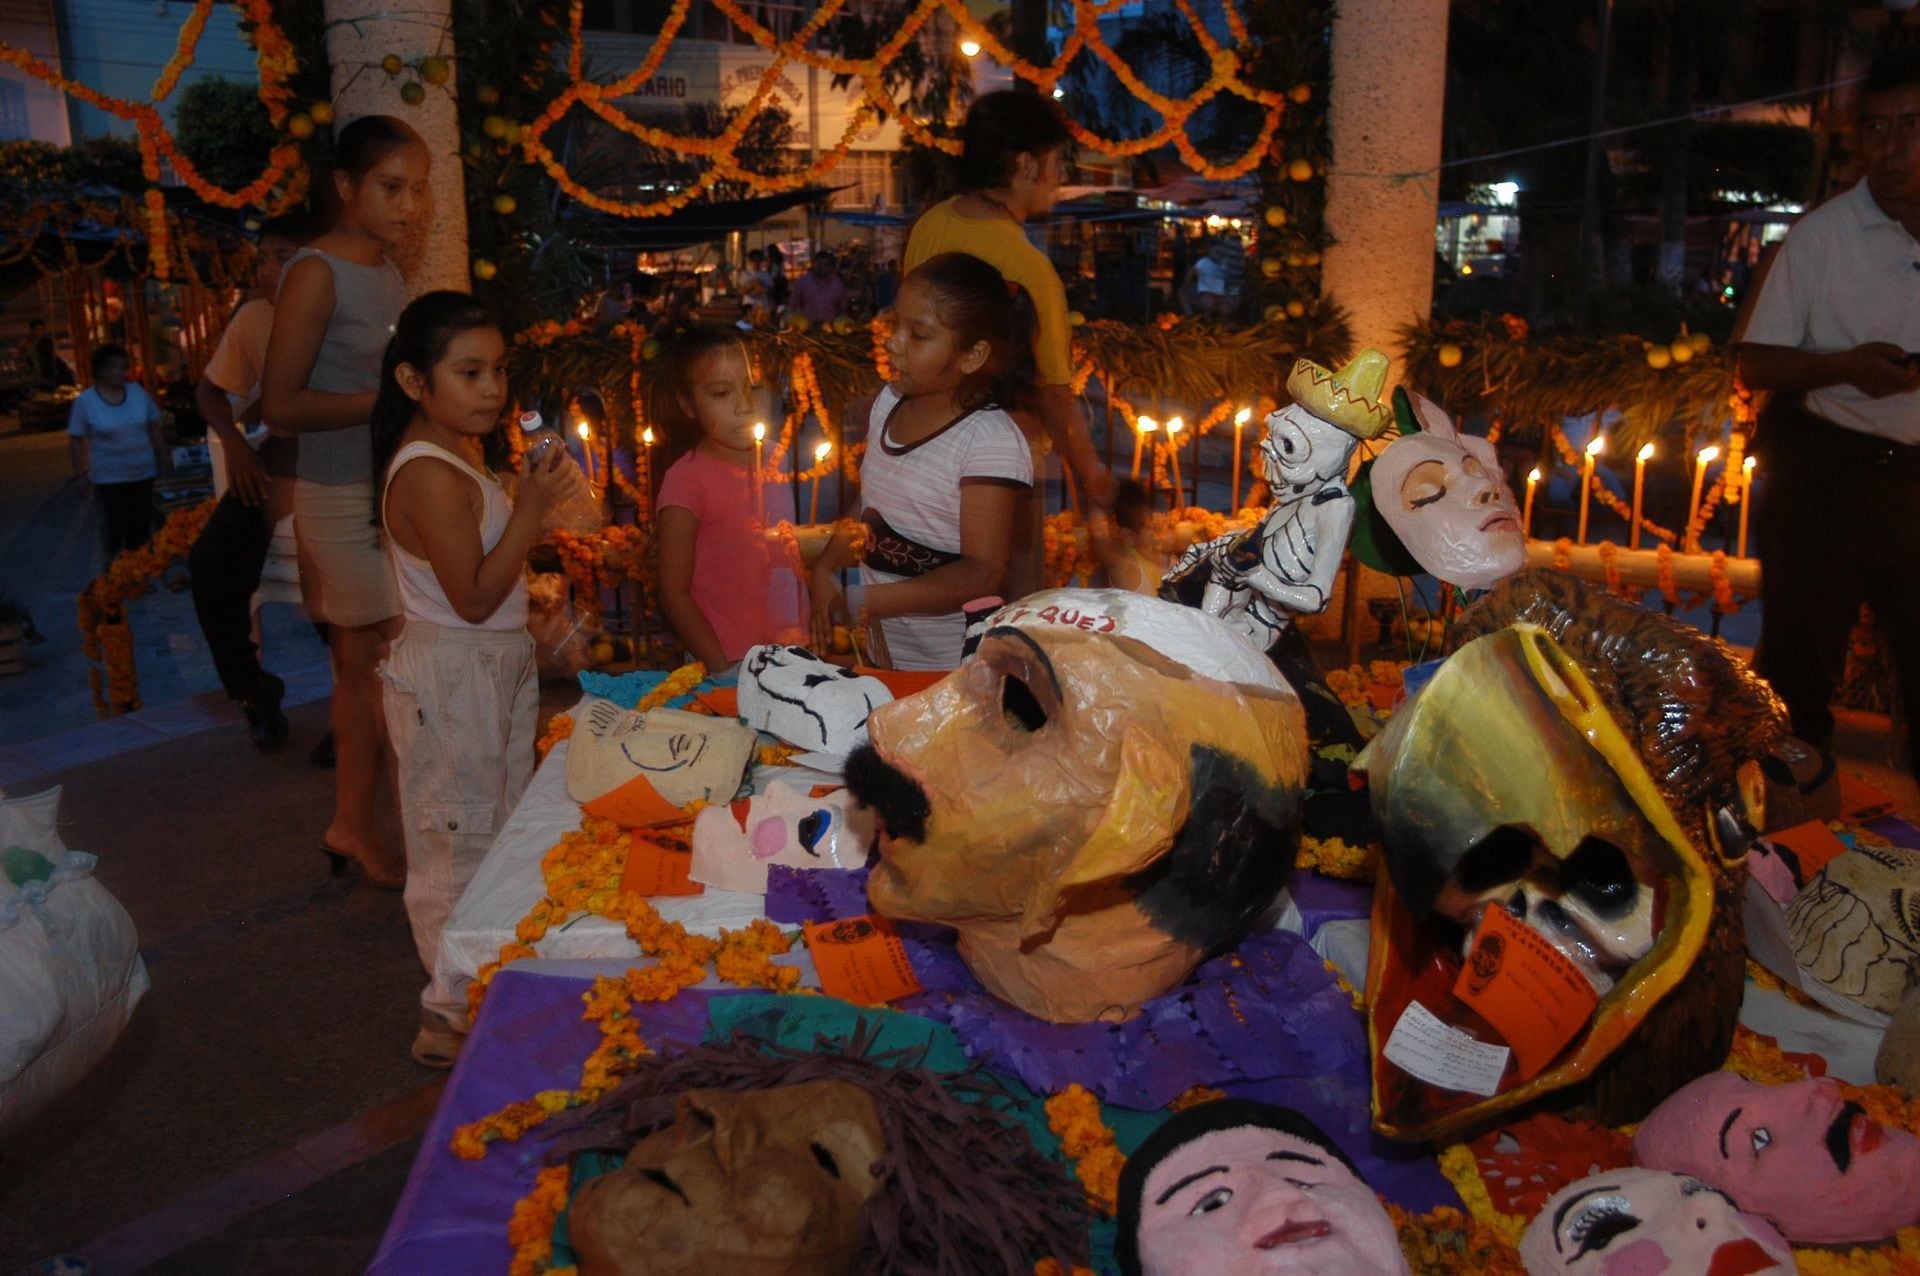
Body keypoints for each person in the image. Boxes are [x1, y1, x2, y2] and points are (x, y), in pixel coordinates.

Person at [371, 291, 586, 1067]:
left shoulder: (459, 456)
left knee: (496, 831)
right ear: (413, 382)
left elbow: (491, 588)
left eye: (498, 370)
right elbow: (469, 594)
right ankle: (449, 1013)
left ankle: (482, 993)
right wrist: (530, 507)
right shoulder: (427, 472)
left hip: (483, 669)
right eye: (468, 372)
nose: (492, 389)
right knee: (456, 841)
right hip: (452, 676)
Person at [1738, 49, 1920, 775]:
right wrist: (1845, 366)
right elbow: (1756, 362)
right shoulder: (1825, 235)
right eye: (1877, 128)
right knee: (1797, 666)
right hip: (1825, 466)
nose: (1891, 147)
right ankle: (1790, 846)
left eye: (1911, 126)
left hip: (1914, 474)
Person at [262, 114, 427, 889]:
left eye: (417, 190)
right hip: (336, 495)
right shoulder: (315, 271)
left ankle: (356, 823)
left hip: (383, 489)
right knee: (385, 668)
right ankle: (392, 826)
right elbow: (281, 406)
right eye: (392, 187)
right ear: (345, 186)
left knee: (364, 673)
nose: (409, 205)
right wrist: (389, 402)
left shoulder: (386, 270)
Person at [904, 90, 1119, 601]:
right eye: (1057, 162)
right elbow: (1052, 394)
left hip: (919, 452)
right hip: (1000, 468)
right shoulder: (1029, 268)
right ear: (1025, 164)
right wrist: (1092, 476)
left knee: (927, 597)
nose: (1060, 175)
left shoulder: (930, 226)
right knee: (1009, 607)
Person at [809, 253, 1033, 670]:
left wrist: (866, 600)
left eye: (919, 335)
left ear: (971, 356)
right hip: (884, 655)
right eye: (896, 324)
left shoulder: (990, 442)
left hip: (953, 670)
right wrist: (826, 565)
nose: (893, 341)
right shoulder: (888, 403)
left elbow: (981, 572)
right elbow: (873, 504)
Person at [187, 218, 307, 750]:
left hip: (342, 459)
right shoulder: (256, 316)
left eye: (282, 256)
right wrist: (234, 444)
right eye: (262, 258)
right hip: (277, 457)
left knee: (329, 572)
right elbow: (210, 394)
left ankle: (359, 716)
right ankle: (252, 688)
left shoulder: (347, 315)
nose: (266, 270)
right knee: (210, 563)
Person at [652, 327, 804, 673]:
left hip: (789, 655)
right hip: (728, 661)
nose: (743, 406)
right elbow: (673, 591)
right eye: (721, 393)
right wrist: (721, 668)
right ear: (687, 404)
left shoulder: (772, 467)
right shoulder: (687, 480)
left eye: (754, 388)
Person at [67, 343, 166, 565]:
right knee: (115, 524)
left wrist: (162, 454)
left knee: (140, 524)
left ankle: (138, 570)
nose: (120, 372)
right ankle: (112, 570)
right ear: (100, 370)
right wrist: (81, 474)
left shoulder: (137, 393)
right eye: (113, 367)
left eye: (123, 367)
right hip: (110, 475)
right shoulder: (86, 402)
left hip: (142, 470)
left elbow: (153, 425)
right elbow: (75, 439)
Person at [792, 249, 850, 325]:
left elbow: (844, 308)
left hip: (831, 329)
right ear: (813, 264)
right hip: (807, 328)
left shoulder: (838, 284)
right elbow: (793, 304)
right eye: (819, 263)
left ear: (831, 266)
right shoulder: (803, 282)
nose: (822, 267)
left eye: (826, 264)